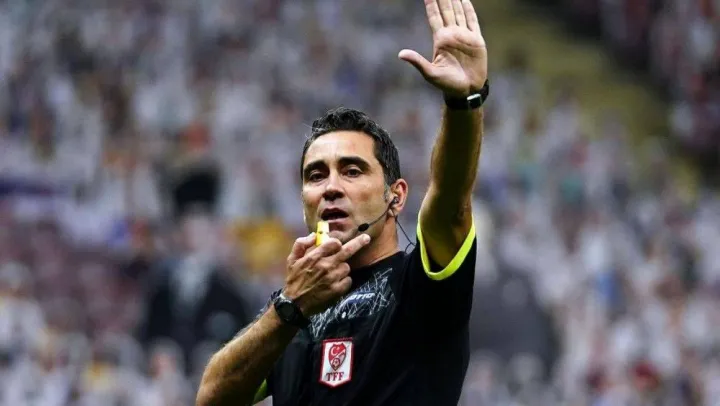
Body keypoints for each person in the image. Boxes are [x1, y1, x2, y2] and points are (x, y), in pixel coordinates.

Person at [196, 0, 488, 404]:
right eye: (316, 176)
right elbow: (211, 398)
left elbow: (450, 199)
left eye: (352, 171)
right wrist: (289, 307)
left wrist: (464, 102)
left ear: (396, 197)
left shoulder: (421, 285)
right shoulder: (293, 309)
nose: (330, 187)